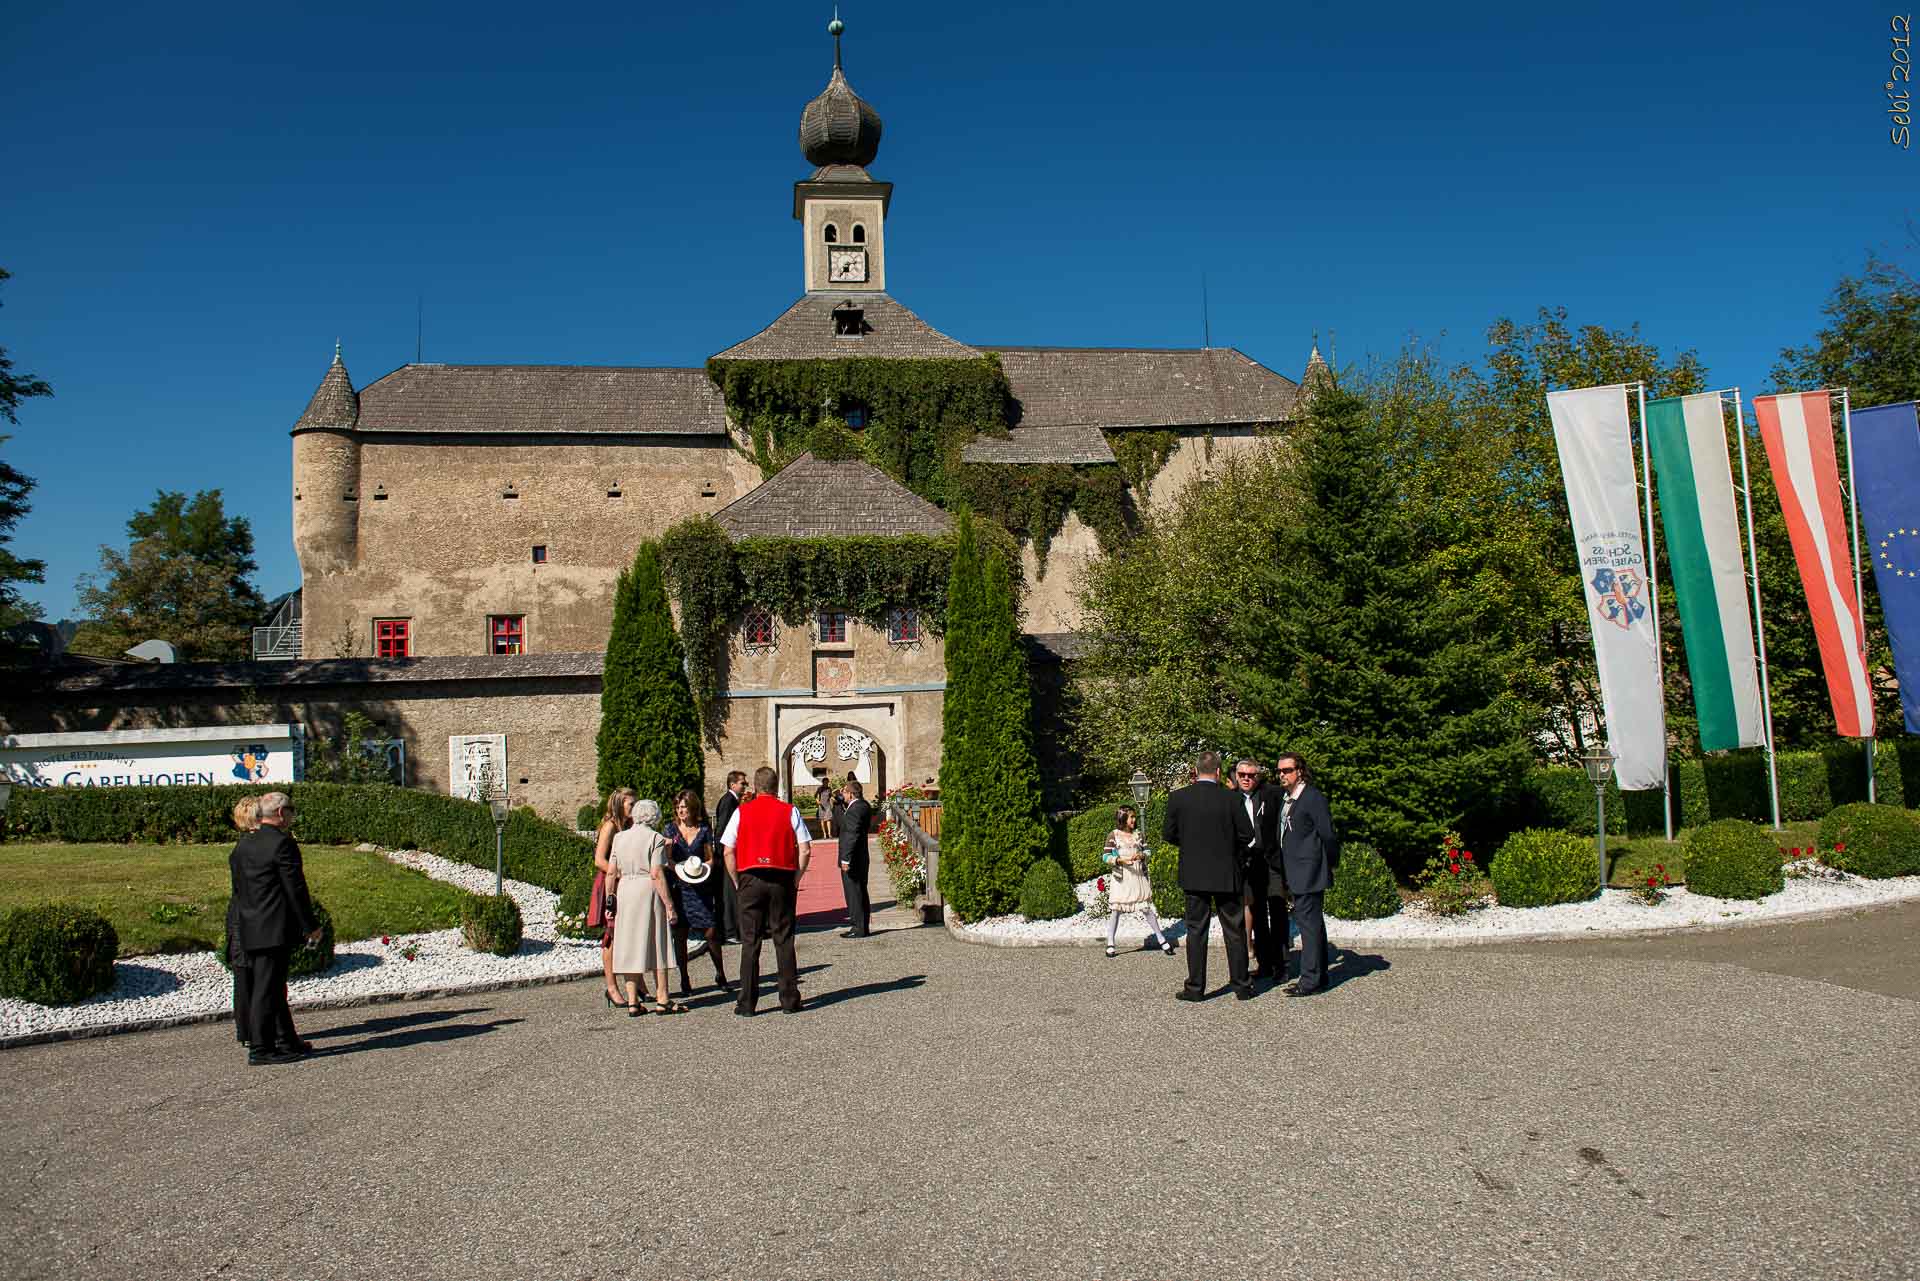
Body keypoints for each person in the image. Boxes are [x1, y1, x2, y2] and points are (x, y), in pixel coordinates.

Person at [229, 791, 322, 1064]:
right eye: (291, 810)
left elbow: (238, 889)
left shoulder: (243, 845)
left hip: (249, 924)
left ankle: (286, 1039)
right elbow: (295, 888)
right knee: (267, 988)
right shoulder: (282, 843)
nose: (292, 815)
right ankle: (261, 1048)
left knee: (271, 985)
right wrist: (310, 926)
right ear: (281, 813)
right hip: (274, 926)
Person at [1161, 751, 1255, 1001]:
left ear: (1195, 770)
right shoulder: (1231, 799)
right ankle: (1242, 985)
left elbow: (1168, 834)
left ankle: (1195, 988)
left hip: (1194, 873)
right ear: (1218, 772)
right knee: (1234, 930)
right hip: (1227, 872)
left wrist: (1191, 844)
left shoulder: (1178, 798)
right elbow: (1247, 834)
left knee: (1196, 931)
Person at [722, 765, 812, 1016]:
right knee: (783, 939)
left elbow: (728, 849)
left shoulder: (742, 811)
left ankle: (747, 1003)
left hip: (750, 876)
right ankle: (789, 1000)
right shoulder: (789, 810)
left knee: (750, 941)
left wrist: (737, 880)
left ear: (755, 786)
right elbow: (805, 848)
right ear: (776, 785)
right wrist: (796, 877)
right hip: (781, 876)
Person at [1271, 752, 1338, 997]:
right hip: (1296, 870)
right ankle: (1319, 975)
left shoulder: (1312, 797)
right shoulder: (1288, 798)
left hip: (1309, 871)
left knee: (1308, 926)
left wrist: (1327, 862)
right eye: (1279, 771)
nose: (1282, 775)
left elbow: (1328, 834)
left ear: (1299, 771)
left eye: (1287, 770)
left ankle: (1310, 981)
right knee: (1313, 924)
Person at [608, 799, 680, 1016]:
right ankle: (663, 998)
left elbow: (611, 872)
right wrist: (669, 905)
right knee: (658, 941)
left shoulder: (620, 838)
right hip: (646, 889)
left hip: (625, 889)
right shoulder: (655, 838)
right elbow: (656, 872)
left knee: (628, 943)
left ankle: (632, 1001)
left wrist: (610, 898)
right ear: (654, 817)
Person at [666, 788, 731, 996]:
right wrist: (677, 868)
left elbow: (710, 857)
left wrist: (705, 869)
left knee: (711, 931)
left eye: (683, 807)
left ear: (692, 808)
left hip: (700, 886)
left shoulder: (703, 829)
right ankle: (684, 978)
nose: (680, 811)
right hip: (679, 887)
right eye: (677, 807)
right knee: (680, 934)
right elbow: (667, 859)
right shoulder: (670, 830)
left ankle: (720, 973)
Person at [588, 788, 638, 1008]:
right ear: (620, 804)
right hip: (611, 884)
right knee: (611, 937)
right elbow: (599, 860)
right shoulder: (610, 826)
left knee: (629, 935)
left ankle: (638, 985)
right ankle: (611, 987)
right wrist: (621, 873)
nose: (634, 809)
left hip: (626, 884)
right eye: (630, 805)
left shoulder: (629, 826)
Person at [1102, 805, 1174, 958]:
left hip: (1137, 876)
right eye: (1131, 817)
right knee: (1116, 910)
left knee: (1146, 908)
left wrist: (1141, 856)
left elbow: (1147, 851)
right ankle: (1110, 942)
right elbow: (1106, 856)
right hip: (1122, 877)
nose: (1134, 820)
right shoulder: (1113, 835)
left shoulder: (1139, 835)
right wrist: (1119, 860)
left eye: (1134, 817)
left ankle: (1161, 938)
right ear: (1123, 819)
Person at [1232, 758, 1278, 983]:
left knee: (1277, 910)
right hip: (1244, 862)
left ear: (1257, 776)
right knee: (1253, 912)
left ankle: (1277, 964)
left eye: (1251, 775)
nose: (1246, 779)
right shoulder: (1229, 799)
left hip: (1268, 860)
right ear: (1235, 775)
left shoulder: (1270, 795)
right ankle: (1260, 963)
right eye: (1242, 775)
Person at [225, 795, 260, 1050]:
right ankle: (250, 1029)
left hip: (240, 914)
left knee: (245, 975)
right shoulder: (250, 848)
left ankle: (247, 1029)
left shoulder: (241, 847)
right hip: (248, 916)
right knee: (248, 975)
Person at [713, 770, 748, 944]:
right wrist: (722, 854)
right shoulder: (728, 801)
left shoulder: (732, 800)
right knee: (729, 893)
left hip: (728, 852)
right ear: (732, 784)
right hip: (726, 853)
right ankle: (729, 931)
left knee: (732, 892)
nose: (744, 785)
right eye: (742, 783)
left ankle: (732, 929)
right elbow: (722, 829)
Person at [836, 778, 874, 938]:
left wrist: (845, 859)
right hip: (861, 856)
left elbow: (851, 835)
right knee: (860, 891)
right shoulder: (863, 805)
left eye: (844, 792)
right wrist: (839, 806)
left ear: (851, 794)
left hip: (853, 858)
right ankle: (862, 925)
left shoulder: (854, 810)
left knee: (854, 893)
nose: (842, 794)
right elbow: (843, 824)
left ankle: (858, 927)